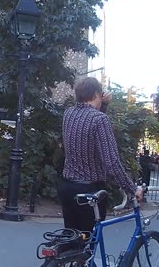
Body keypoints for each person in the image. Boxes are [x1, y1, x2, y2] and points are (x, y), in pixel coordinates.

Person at [58, 77, 143, 232]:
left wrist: (103, 105)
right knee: (89, 244)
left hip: (67, 188)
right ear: (97, 94)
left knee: (72, 240)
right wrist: (132, 188)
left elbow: (87, 128)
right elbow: (111, 162)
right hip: (90, 192)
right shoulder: (100, 119)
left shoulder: (68, 114)